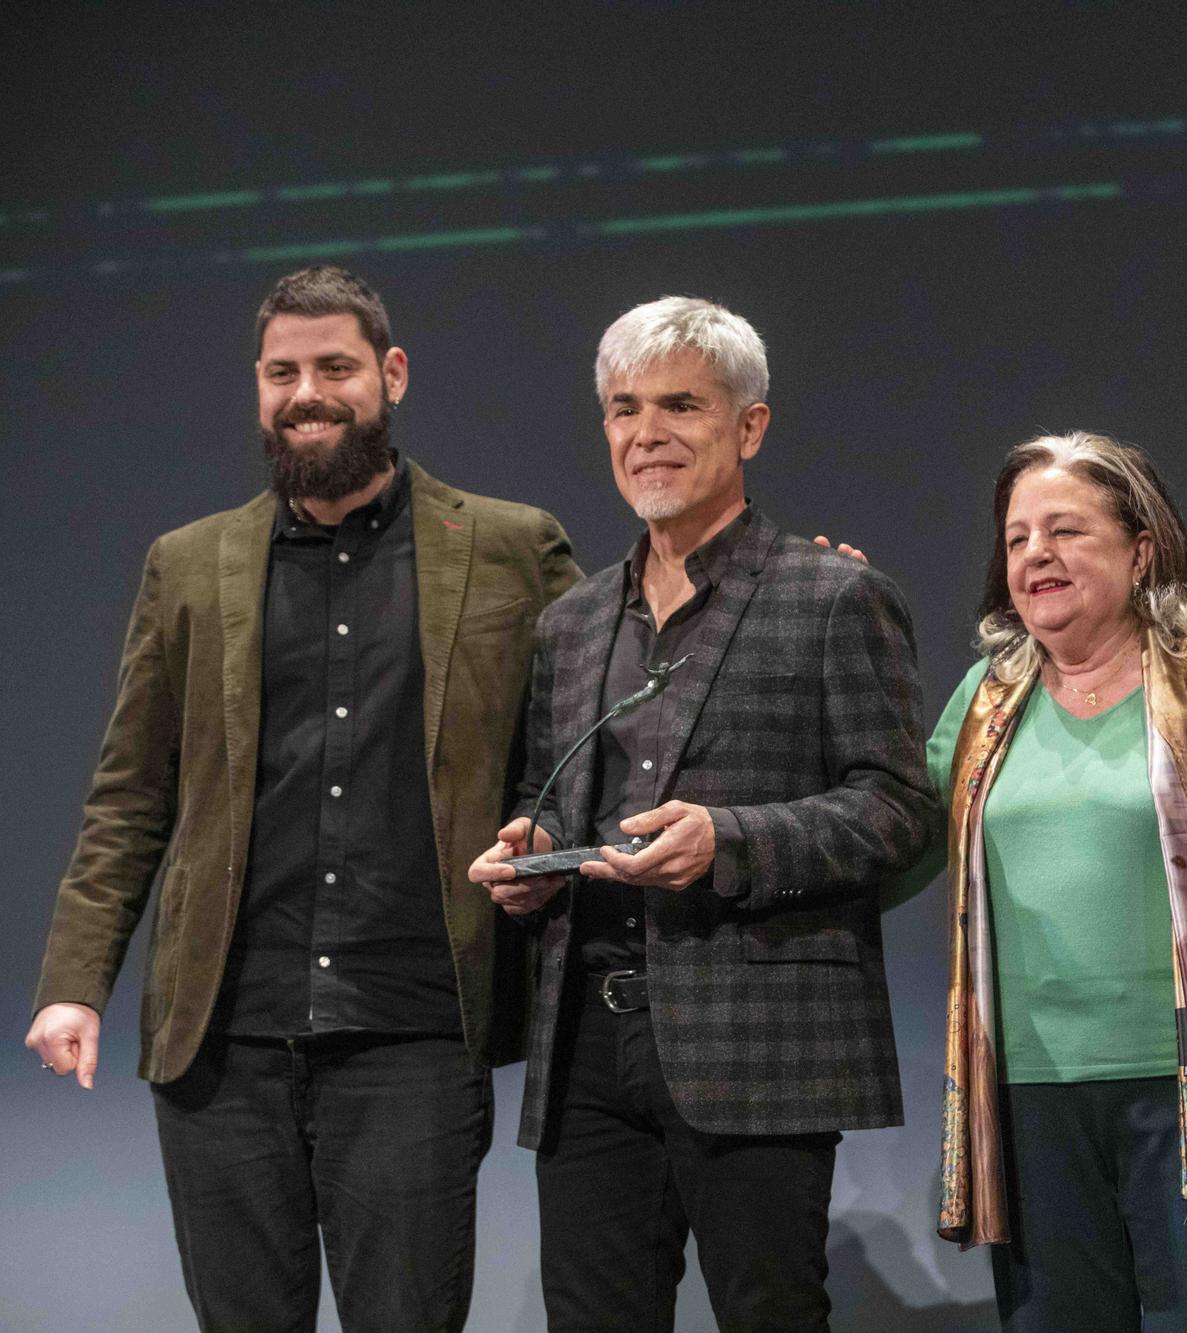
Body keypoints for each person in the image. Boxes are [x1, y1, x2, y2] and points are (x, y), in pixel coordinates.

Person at [24, 266, 581, 1331]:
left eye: (333, 366)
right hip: (222, 1040)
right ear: (258, 386)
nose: (306, 392)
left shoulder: (510, 546)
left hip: (412, 1033)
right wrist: (73, 982)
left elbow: (593, 724)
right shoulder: (187, 565)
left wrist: (782, 584)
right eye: (282, 372)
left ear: (392, 374)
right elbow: (131, 791)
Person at [467, 295, 937, 1332]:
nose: (647, 434)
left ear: (749, 426)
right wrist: (534, 847)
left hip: (755, 1040)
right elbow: (549, 794)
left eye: (681, 404)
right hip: (587, 1038)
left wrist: (731, 839)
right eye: (624, 408)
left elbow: (899, 807)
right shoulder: (572, 620)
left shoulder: (834, 596)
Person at [914, 431, 1187, 1331]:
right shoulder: (983, 698)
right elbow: (894, 845)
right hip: (1031, 1090)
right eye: (1017, 538)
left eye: (1066, 530)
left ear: (1141, 547)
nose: (1036, 553)